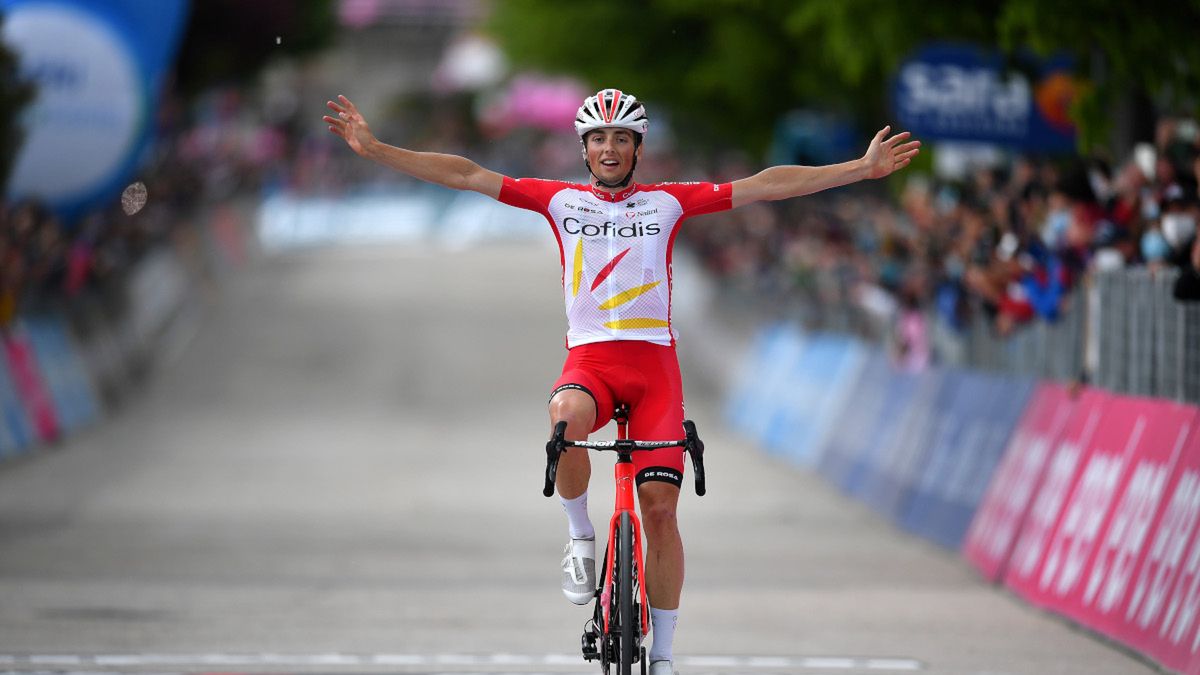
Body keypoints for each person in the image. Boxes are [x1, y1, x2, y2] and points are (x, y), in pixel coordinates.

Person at [324, 88, 920, 675]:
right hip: (592, 365)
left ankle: (662, 655)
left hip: (655, 371)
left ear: (638, 147)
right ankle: (580, 535)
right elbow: (466, 173)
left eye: (622, 138)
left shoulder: (669, 203)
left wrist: (858, 169)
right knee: (565, 420)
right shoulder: (558, 201)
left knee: (661, 512)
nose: (610, 148)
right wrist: (377, 150)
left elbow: (765, 183)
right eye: (599, 138)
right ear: (584, 149)